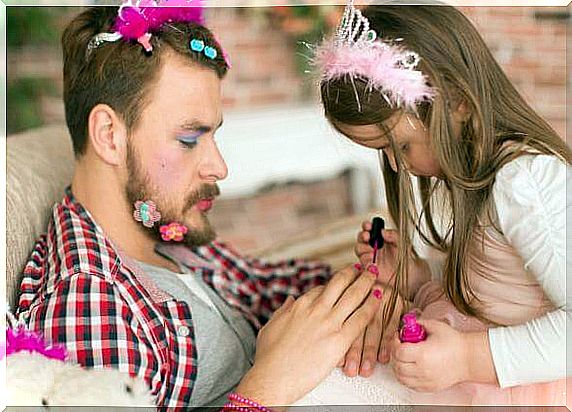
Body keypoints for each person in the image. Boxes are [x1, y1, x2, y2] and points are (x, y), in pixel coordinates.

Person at [14, 3, 385, 409]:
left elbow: (262, 286)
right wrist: (267, 387)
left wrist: (374, 280)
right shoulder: (88, 306)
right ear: (109, 136)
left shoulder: (162, 229)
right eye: (190, 139)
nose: (219, 167)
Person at [315, 0, 569, 405]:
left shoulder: (527, 183)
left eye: (400, 145)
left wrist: (468, 357)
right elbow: (497, 298)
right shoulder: (476, 178)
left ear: (457, 100)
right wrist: (418, 278)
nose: (398, 166)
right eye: (384, 153)